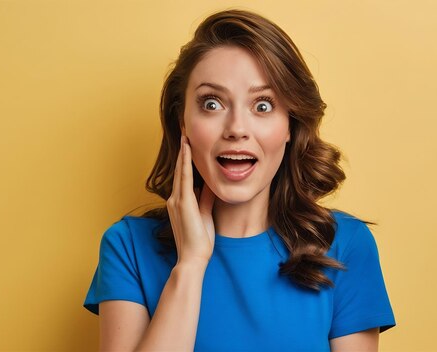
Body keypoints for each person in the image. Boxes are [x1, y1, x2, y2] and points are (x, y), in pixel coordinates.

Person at [83, 8, 396, 351]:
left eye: (262, 105)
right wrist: (189, 267)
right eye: (212, 104)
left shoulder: (344, 246)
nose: (236, 129)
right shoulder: (128, 247)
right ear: (183, 122)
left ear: (290, 125)